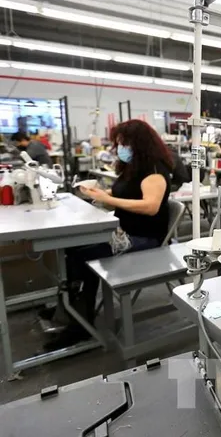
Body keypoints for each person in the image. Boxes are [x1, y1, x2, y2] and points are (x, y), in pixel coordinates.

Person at [45, 120, 173, 349]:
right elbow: (122, 193)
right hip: (124, 232)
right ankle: (69, 307)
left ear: (138, 144)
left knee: (84, 256)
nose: (119, 148)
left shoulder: (154, 172)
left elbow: (150, 206)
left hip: (144, 239)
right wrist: (99, 193)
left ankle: (79, 324)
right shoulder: (133, 169)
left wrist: (107, 199)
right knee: (72, 248)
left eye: (123, 143)